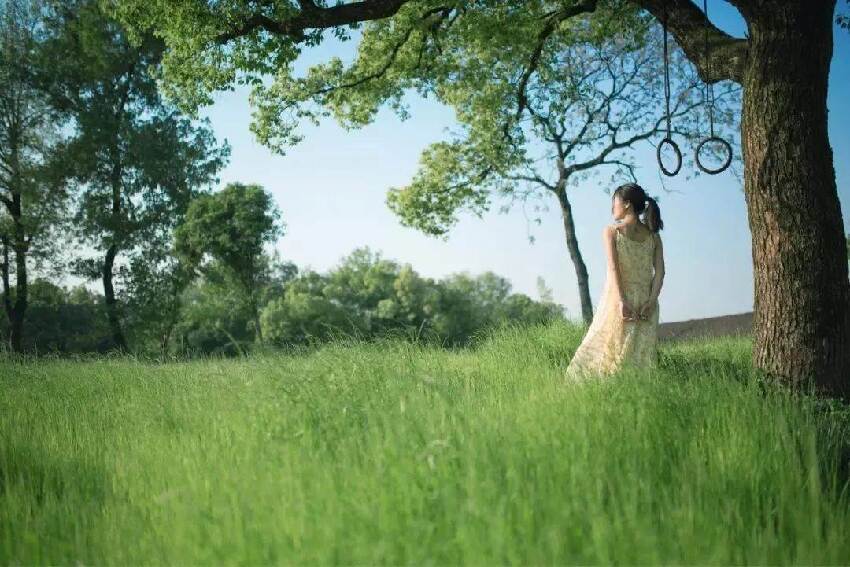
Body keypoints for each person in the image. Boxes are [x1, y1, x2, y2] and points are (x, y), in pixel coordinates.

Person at [565, 182, 665, 381]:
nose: (613, 208)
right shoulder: (654, 237)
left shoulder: (612, 232)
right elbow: (661, 272)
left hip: (618, 300)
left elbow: (613, 269)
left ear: (627, 204)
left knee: (604, 350)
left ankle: (599, 393)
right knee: (639, 358)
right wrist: (652, 301)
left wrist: (621, 301)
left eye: (615, 202)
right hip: (646, 302)